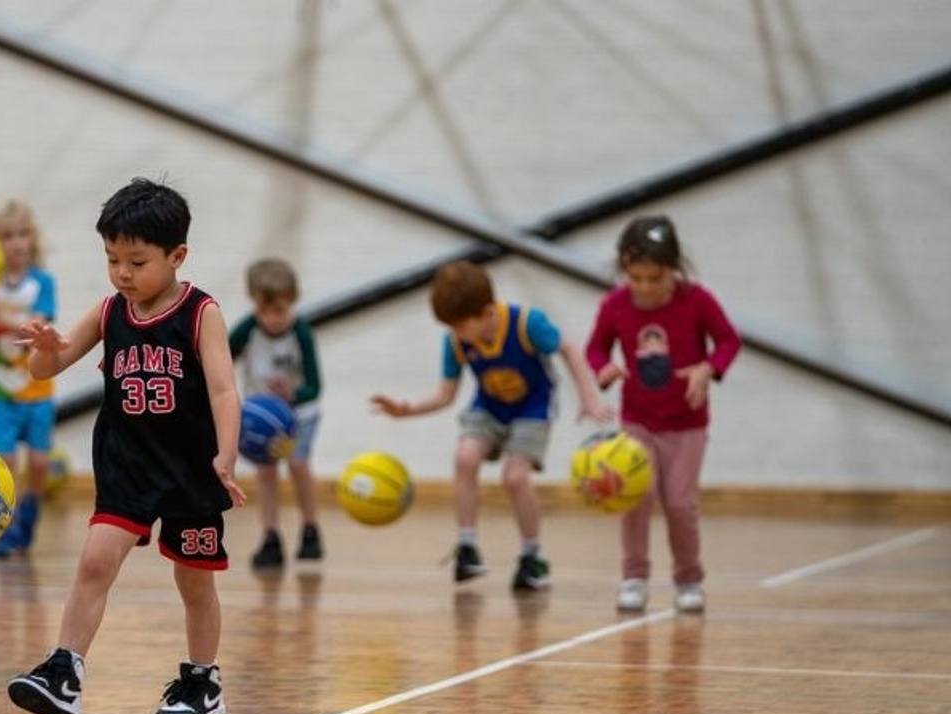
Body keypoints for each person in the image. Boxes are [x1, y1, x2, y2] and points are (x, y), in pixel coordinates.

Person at [6, 177, 247, 714]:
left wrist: (226, 455)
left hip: (190, 467)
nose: (122, 273)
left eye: (136, 262)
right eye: (112, 259)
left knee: (194, 580)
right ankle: (64, 672)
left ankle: (202, 681)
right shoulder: (111, 311)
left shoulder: (200, 312)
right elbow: (48, 368)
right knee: (94, 561)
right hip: (127, 463)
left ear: (177, 255)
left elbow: (223, 390)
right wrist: (43, 352)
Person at [371, 261, 610, 591]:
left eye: (459, 325)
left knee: (514, 477)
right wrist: (406, 410)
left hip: (533, 406)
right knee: (465, 458)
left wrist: (589, 398)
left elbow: (568, 347)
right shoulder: (455, 341)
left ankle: (532, 556)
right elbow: (445, 394)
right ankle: (467, 547)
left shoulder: (527, 323)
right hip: (489, 406)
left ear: (486, 313)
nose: (455, 333)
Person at [585, 215, 741, 613]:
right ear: (624, 269)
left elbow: (728, 341)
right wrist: (604, 369)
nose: (645, 287)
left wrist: (709, 368)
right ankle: (633, 576)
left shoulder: (697, 301)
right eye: (636, 277)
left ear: (674, 268)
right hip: (638, 420)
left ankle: (689, 579)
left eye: (655, 278)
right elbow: (596, 348)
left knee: (680, 504)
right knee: (637, 495)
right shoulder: (615, 306)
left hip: (687, 423)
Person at [0, 200, 59, 559]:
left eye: (22, 234)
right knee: (5, 463)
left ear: (32, 239)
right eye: (7, 236)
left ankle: (31, 510)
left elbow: (36, 326)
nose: (17, 242)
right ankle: (5, 528)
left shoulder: (43, 282)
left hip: (36, 387)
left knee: (39, 463)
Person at [228, 257, 325, 569]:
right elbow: (217, 355)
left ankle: (311, 529)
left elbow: (315, 386)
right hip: (258, 416)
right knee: (266, 474)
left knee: (298, 465)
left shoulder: (302, 333)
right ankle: (270, 536)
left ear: (292, 302)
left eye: (279, 311)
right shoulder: (248, 330)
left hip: (299, 415)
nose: (271, 318)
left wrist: (293, 394)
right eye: (264, 310)